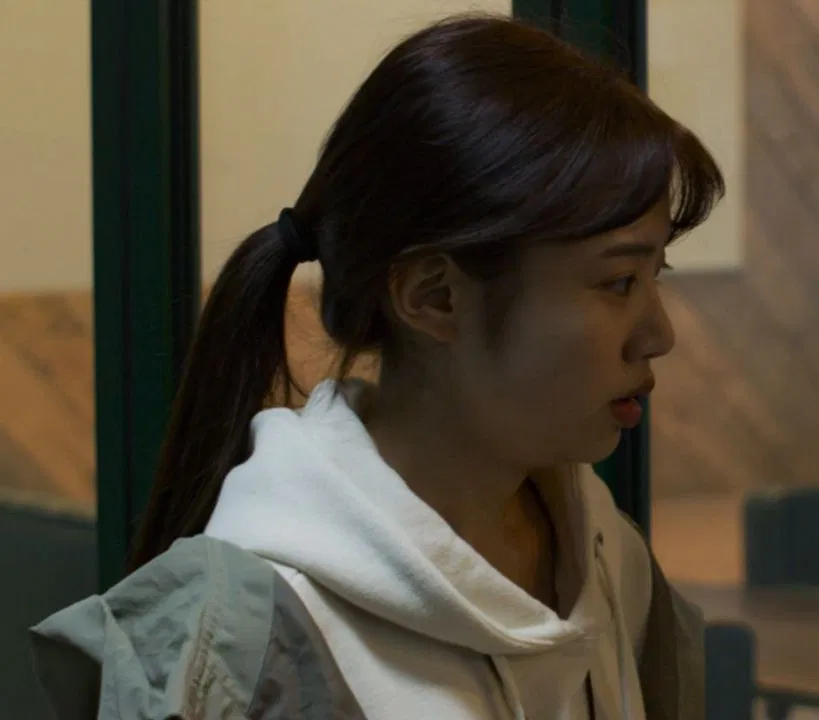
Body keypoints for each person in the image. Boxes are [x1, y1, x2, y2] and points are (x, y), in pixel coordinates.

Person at [30, 14, 723, 720]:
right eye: (618, 282)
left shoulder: (607, 558)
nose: (659, 334)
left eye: (656, 275)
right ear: (434, 296)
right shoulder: (243, 643)